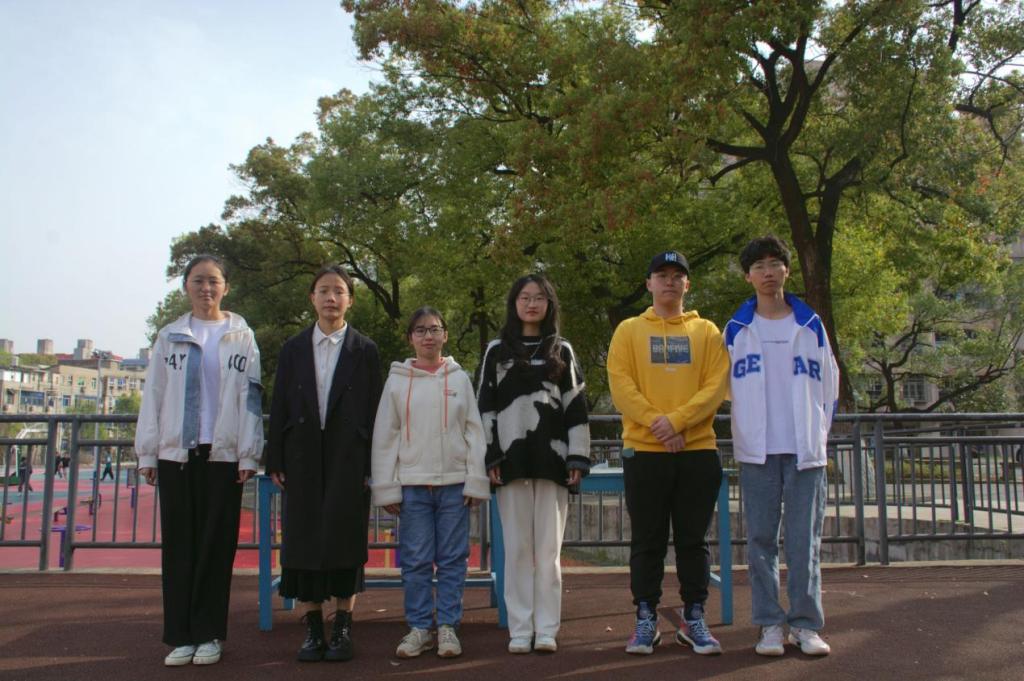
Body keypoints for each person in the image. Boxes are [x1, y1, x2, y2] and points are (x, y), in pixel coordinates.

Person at [135, 254, 264, 667]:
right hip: (176, 453)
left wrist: (248, 452)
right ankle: (180, 636)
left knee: (216, 545)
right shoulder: (170, 336)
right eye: (198, 280)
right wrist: (147, 452)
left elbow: (251, 397)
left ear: (226, 287)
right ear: (186, 286)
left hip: (223, 454)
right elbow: (153, 395)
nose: (206, 288)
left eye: (213, 281)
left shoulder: (241, 336)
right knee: (179, 546)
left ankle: (209, 634)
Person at [606, 250, 730, 656]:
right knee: (647, 541)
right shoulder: (628, 330)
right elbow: (622, 386)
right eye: (662, 275)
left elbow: (715, 387)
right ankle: (646, 617)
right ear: (649, 284)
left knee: (693, 541)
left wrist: (677, 422)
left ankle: (694, 616)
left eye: (678, 276)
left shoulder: (707, 332)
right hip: (644, 452)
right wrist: (660, 425)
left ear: (687, 284)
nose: (670, 282)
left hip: (698, 450)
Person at [724, 235, 839, 657]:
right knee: (760, 541)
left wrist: (818, 434)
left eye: (775, 264)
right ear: (748, 276)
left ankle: (806, 625)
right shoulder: (737, 329)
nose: (768, 272)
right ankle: (769, 624)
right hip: (757, 451)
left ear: (786, 270)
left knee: (804, 542)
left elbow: (830, 386)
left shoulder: (810, 325)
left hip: (805, 450)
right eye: (759, 266)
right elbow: (724, 387)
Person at [267, 264, 383, 663]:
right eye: (323, 291)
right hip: (301, 456)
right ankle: (313, 629)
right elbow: (279, 403)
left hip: (348, 457)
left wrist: (372, 464)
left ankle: (344, 626)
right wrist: (275, 457)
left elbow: (374, 410)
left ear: (350, 300)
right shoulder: (293, 348)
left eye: (339, 291)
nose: (331, 298)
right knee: (302, 541)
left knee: (345, 538)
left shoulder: (365, 350)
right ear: (312, 298)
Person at [477, 274, 591, 654]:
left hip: (553, 463)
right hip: (510, 463)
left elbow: (576, 406)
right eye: (524, 297)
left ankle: (546, 629)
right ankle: (520, 628)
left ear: (549, 304)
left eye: (539, 297)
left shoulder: (562, 350)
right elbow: (485, 406)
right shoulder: (497, 351)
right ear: (514, 303)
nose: (531, 304)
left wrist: (577, 456)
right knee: (517, 550)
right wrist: (490, 455)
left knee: (548, 553)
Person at [371, 307, 490, 659]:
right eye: (420, 330)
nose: (428, 336)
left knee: (453, 559)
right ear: (411, 337)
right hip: (412, 485)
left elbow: (474, 430)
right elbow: (386, 435)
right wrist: (387, 485)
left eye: (435, 329)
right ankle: (420, 627)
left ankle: (449, 626)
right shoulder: (397, 381)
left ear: (445, 335)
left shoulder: (460, 378)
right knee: (416, 560)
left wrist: (475, 479)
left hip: (454, 483)